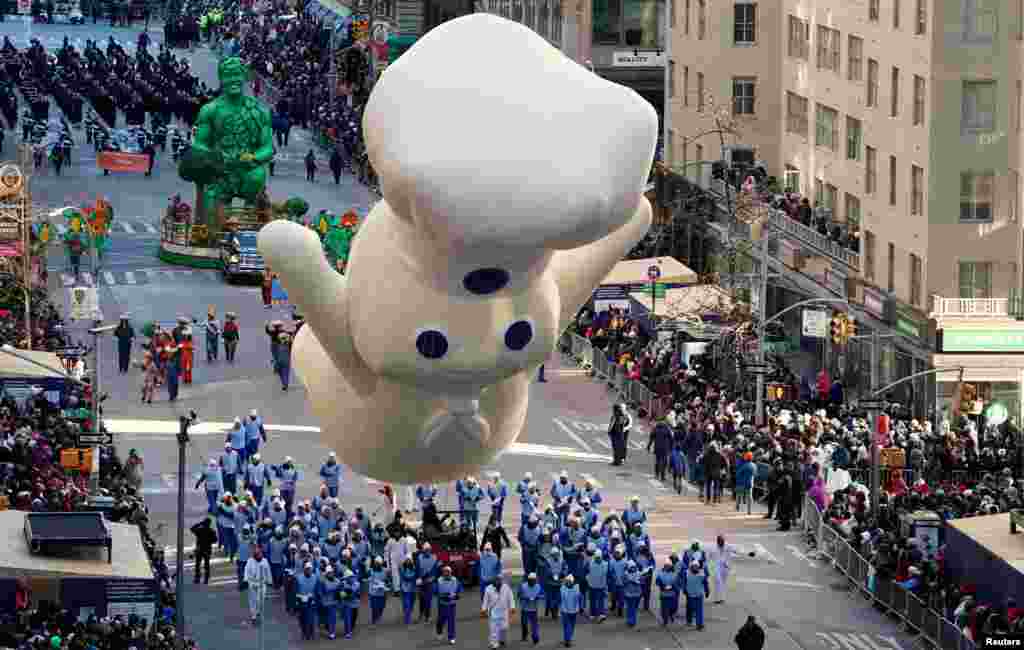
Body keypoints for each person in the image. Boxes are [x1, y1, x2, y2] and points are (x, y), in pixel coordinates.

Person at [481, 571, 516, 650]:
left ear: (501, 581)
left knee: (504, 628)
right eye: (496, 580)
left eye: (499, 580)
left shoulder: (506, 587)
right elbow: (485, 600)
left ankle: (502, 640)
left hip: (504, 612)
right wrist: (483, 610)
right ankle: (494, 644)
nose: (497, 582)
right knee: (493, 629)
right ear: (493, 581)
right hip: (493, 613)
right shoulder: (488, 589)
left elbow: (511, 598)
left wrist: (512, 607)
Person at [244, 545, 272, 625]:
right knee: (253, 600)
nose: (259, 556)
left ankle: (259, 612)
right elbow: (246, 571)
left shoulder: (265, 561)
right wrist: (246, 580)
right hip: (252, 583)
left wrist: (269, 581)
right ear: (254, 555)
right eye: (257, 554)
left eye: (260, 554)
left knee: (260, 600)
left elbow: (268, 571)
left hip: (262, 583)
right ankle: (253, 616)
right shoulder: (250, 561)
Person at [434, 565, 462, 645]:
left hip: (452, 604)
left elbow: (459, 589)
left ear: (451, 572)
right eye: (445, 572)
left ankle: (451, 637)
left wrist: (457, 595)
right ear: (442, 573)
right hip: (442, 604)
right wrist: (442, 596)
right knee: (441, 620)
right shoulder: (439, 580)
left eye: (448, 572)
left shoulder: (455, 580)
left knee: (451, 621)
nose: (446, 573)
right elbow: (435, 591)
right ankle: (439, 632)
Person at [190, 517, 218, 584]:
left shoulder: (200, 530)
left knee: (198, 564)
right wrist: (209, 541)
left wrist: (199, 524)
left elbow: (192, 529)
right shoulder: (212, 531)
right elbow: (215, 540)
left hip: (199, 549)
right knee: (206, 564)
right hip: (207, 549)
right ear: (209, 524)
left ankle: (197, 578)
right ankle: (206, 579)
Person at [683, 560, 709, 630]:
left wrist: (707, 591)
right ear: (691, 567)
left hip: (699, 595)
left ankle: (699, 624)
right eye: (693, 567)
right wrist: (684, 590)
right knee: (690, 609)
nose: (695, 568)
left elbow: (705, 583)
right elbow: (684, 582)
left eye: (696, 567)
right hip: (690, 595)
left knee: (699, 610)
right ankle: (689, 621)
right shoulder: (687, 573)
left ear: (698, 567)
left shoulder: (701, 574)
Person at [295, 562, 318, 640]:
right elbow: (296, 590)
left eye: (310, 569)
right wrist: (297, 600)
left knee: (311, 618)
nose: (309, 571)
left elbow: (316, 590)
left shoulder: (315, 577)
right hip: (301, 601)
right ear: (304, 570)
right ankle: (304, 632)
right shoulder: (299, 578)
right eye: (307, 569)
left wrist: (313, 597)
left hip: (311, 601)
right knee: (302, 618)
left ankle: (311, 633)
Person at [417, 542, 439, 623]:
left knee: (428, 600)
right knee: (422, 599)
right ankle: (421, 613)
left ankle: (428, 616)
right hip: (421, 581)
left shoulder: (434, 558)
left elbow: (435, 570)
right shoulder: (419, 558)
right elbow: (418, 568)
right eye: (426, 550)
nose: (427, 551)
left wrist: (433, 578)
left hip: (430, 581)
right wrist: (419, 578)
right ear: (423, 550)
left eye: (429, 550)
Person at [519, 571, 542, 645]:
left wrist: (538, 597)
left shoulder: (538, 586)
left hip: (534, 609)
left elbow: (543, 595)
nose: (532, 582)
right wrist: (525, 598)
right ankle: (524, 635)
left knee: (534, 625)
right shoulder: (523, 586)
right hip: (525, 609)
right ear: (528, 580)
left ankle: (535, 637)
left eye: (533, 580)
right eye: (530, 580)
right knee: (524, 624)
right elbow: (519, 595)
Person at [647, 416, 673, 481]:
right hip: (665, 448)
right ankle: (662, 476)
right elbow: (671, 439)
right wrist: (671, 447)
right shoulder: (667, 428)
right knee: (664, 462)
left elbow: (651, 438)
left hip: (657, 447)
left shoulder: (655, 428)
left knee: (657, 461)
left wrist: (648, 446)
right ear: (664, 421)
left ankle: (656, 474)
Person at [559, 574, 581, 648]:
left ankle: (567, 639)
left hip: (574, 611)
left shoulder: (576, 588)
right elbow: (562, 598)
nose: (568, 583)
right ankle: (567, 639)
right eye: (567, 581)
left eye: (570, 582)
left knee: (571, 626)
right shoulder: (563, 588)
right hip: (565, 611)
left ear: (572, 582)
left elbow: (578, 598)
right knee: (567, 626)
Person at [368, 556, 389, 623]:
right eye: (376, 563)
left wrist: (385, 583)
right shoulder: (371, 570)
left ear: (381, 563)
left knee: (381, 606)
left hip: (382, 592)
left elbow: (388, 580)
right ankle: (373, 619)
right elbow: (369, 578)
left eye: (378, 563)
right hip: (373, 592)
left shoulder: (385, 570)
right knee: (374, 607)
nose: (377, 564)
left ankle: (379, 616)